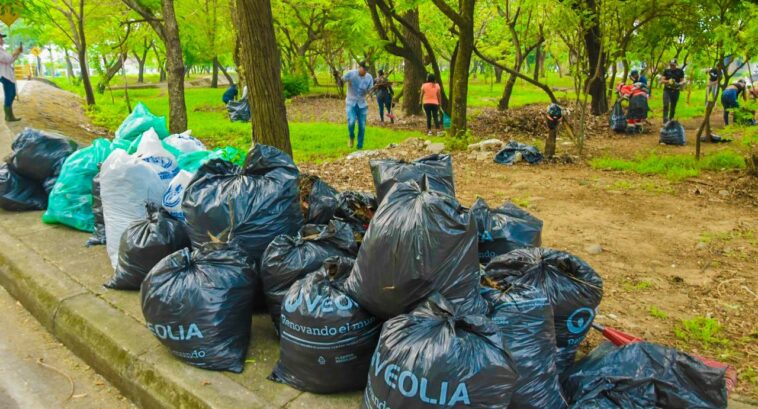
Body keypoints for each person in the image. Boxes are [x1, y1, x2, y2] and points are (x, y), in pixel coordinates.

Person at [342, 61, 373, 149]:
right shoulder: (351, 74)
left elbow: (370, 90)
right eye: (364, 69)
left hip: (362, 104)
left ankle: (359, 146)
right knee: (351, 122)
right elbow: (341, 81)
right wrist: (337, 77)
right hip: (351, 102)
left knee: (362, 126)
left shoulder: (369, 77)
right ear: (359, 67)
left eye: (366, 70)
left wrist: (371, 91)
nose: (365, 71)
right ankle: (351, 136)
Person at [0, 33, 22, 122]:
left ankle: (9, 115)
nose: (2, 39)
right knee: (9, 94)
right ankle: (9, 116)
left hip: (7, 74)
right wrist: (15, 53)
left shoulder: (2, 50)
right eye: (1, 38)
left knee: (12, 94)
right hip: (4, 74)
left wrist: (17, 53)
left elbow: (11, 60)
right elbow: (7, 59)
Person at [661, 59, 685, 123]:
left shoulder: (680, 71)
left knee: (673, 106)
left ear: (676, 65)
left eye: (673, 65)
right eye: (671, 65)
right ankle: (665, 121)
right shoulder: (666, 71)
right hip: (667, 90)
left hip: (675, 91)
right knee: (666, 105)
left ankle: (671, 120)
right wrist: (668, 81)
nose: (672, 66)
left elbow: (682, 80)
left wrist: (679, 84)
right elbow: (662, 80)